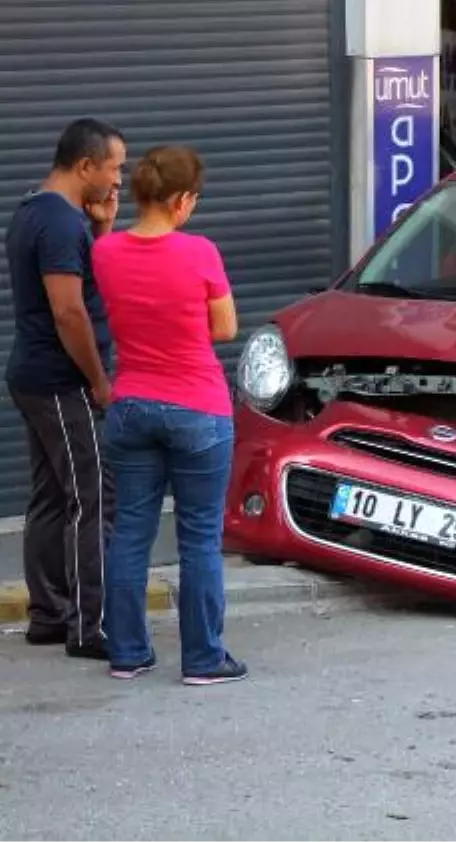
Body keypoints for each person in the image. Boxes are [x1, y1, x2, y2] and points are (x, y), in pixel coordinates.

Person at [91, 145, 248, 686]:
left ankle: (128, 654)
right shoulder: (200, 252)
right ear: (182, 200)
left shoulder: (106, 252)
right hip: (197, 408)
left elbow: (114, 266)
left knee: (131, 531)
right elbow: (225, 328)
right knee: (200, 536)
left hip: (130, 404)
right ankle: (204, 659)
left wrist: (109, 223)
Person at [4, 118, 125, 660]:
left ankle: (48, 616)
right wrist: (98, 379)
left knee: (53, 496)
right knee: (93, 497)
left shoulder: (37, 209)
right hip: (61, 379)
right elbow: (68, 309)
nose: (118, 179)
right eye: (114, 167)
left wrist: (101, 231)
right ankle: (89, 626)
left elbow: (83, 282)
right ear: (85, 166)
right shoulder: (57, 223)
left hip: (34, 375)